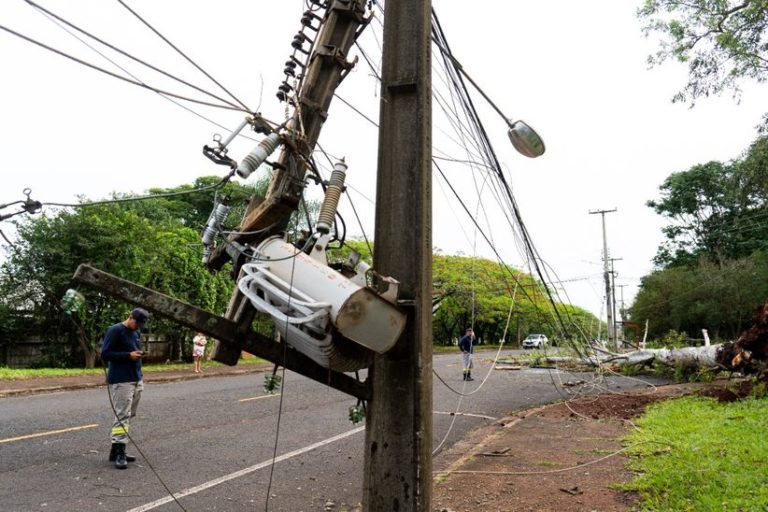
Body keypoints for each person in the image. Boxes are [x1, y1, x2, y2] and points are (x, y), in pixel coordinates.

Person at [100, 307, 149, 469]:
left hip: (136, 377)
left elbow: (131, 349)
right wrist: (128, 356)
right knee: (122, 415)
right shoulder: (115, 330)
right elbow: (105, 354)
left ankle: (115, 450)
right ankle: (120, 451)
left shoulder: (136, 332)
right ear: (130, 317)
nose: (138, 327)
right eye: (137, 323)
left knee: (129, 414)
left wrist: (137, 354)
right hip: (121, 380)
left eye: (141, 325)